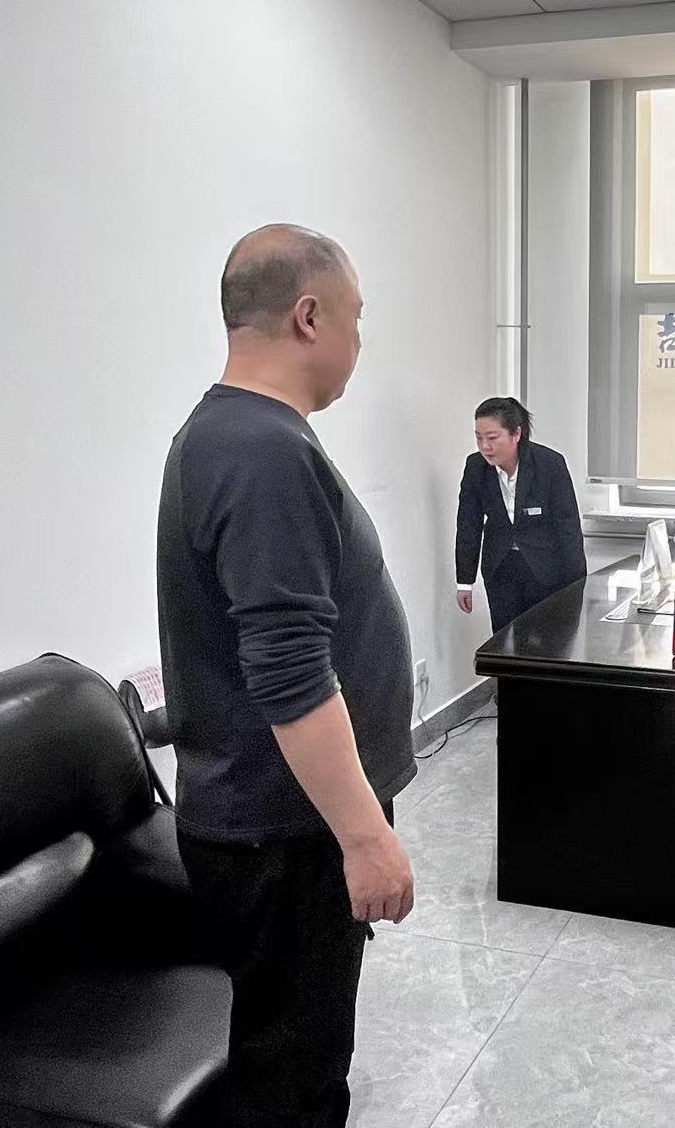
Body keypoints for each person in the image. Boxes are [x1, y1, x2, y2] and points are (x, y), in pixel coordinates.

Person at [156, 224, 416, 1127]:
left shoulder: (236, 434)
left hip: (281, 823)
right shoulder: (261, 450)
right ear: (309, 316)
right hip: (287, 836)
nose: (359, 339)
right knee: (294, 1080)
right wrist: (365, 837)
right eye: (355, 317)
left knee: (293, 1055)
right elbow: (291, 672)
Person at [455, 397, 586, 632]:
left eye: (492, 438)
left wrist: (577, 584)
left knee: (548, 640)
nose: (485, 446)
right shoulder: (475, 467)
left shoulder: (549, 464)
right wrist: (465, 581)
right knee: (503, 640)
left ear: (516, 434)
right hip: (501, 569)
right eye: (479, 438)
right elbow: (468, 524)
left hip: (546, 568)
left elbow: (568, 527)